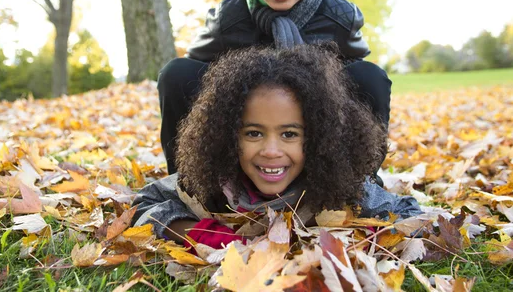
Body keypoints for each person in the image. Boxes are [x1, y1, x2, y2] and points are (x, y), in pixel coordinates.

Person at [158, 0, 392, 174]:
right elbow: (193, 73)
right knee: (176, 73)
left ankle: (361, 177)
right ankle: (186, 176)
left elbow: (358, 76)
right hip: (249, 131)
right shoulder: (229, 18)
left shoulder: (339, 17)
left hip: (312, 127)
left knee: (371, 78)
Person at [133, 45, 420, 250]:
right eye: (254, 133)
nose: (271, 151)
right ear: (228, 136)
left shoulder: (337, 187)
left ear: (321, 138)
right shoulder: (215, 182)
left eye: (290, 134)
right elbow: (144, 203)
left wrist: (354, 238)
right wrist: (202, 233)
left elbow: (410, 214)